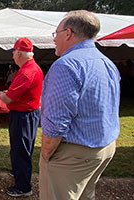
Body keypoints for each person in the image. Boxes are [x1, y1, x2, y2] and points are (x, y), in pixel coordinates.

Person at [39, 10, 120, 200]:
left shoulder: (66, 65)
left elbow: (56, 122)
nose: (53, 40)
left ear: (68, 33)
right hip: (104, 148)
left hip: (74, 154)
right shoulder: (107, 62)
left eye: (55, 34)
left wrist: (46, 154)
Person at [0, 37, 43, 197]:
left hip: (23, 116)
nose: (12, 56)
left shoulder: (26, 72)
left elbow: (9, 98)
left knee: (21, 149)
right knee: (22, 147)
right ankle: (19, 172)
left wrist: (2, 95)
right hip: (27, 114)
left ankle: (23, 186)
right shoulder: (32, 68)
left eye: (14, 53)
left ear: (19, 54)